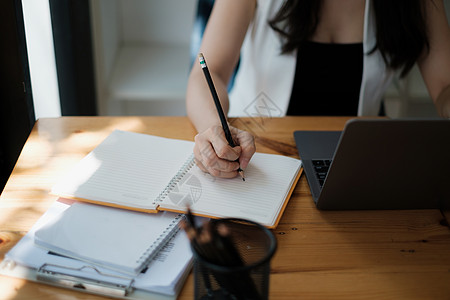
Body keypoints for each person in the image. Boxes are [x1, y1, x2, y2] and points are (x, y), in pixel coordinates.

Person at [186, 0, 450, 179]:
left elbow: (445, 86)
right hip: (257, 154)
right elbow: (208, 73)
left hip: (356, 164)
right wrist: (213, 129)